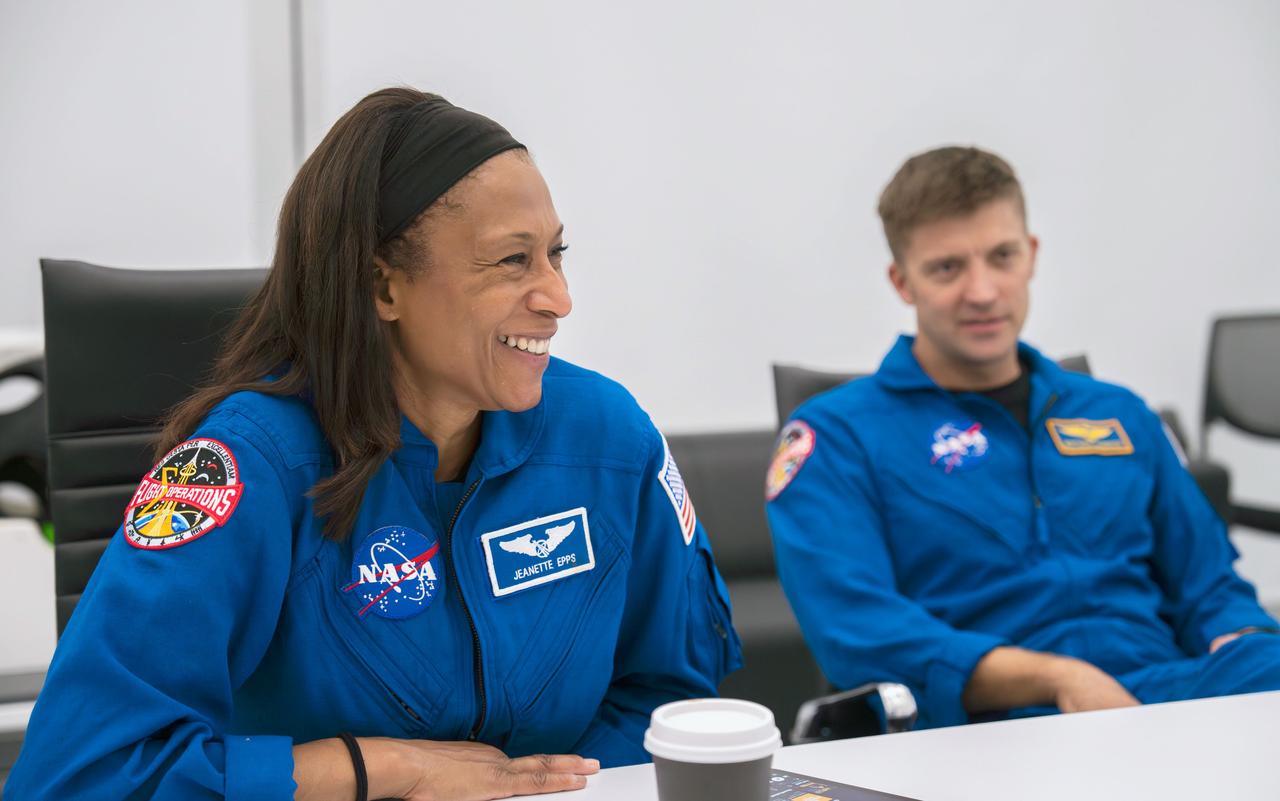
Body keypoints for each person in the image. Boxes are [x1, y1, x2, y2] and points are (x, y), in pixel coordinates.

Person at [7, 88, 741, 801]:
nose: (558, 297)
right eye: (513, 261)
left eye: (556, 253)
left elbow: (667, 690)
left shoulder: (607, 437)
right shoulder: (245, 466)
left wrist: (542, 789)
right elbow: (81, 772)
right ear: (382, 287)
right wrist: (382, 768)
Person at [766, 146, 1280, 730]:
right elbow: (855, 629)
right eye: (947, 268)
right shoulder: (836, 436)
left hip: (1162, 700)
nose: (983, 291)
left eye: (1001, 256)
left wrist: (1240, 640)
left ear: (1031, 256)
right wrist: (1056, 677)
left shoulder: (1120, 415)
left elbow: (1210, 585)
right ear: (902, 281)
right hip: (988, 725)